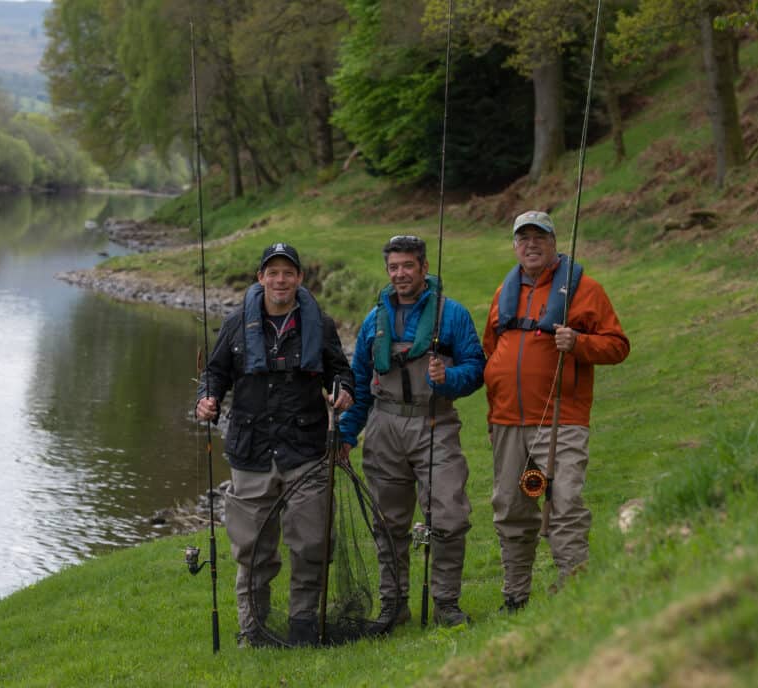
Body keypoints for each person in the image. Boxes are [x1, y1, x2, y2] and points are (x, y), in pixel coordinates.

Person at [196, 242, 354, 648]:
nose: (280, 280)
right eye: (273, 272)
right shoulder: (235, 325)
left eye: (288, 272)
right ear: (260, 277)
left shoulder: (320, 323)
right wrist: (207, 398)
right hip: (251, 454)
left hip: (306, 452)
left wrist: (344, 392)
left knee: (312, 544)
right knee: (252, 552)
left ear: (299, 278)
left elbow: (341, 372)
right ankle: (255, 629)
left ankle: (303, 625)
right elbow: (214, 373)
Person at [482, 210, 630, 613]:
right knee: (513, 507)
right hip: (509, 423)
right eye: (523, 238)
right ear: (515, 246)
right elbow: (491, 352)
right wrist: (494, 408)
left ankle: (574, 588)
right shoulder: (503, 292)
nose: (531, 244)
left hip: (562, 420)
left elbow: (617, 345)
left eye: (539, 237)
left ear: (553, 242)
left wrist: (579, 342)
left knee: (563, 501)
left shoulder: (585, 290)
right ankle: (515, 595)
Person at [338, 235, 485, 629]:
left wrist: (448, 376)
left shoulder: (450, 315)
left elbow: (477, 369)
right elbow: (357, 382)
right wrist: (347, 434)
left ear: (423, 268)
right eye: (394, 267)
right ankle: (393, 605)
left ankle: (446, 604)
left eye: (407, 266)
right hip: (384, 426)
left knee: (450, 515)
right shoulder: (374, 320)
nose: (400, 274)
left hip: (435, 422)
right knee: (387, 522)